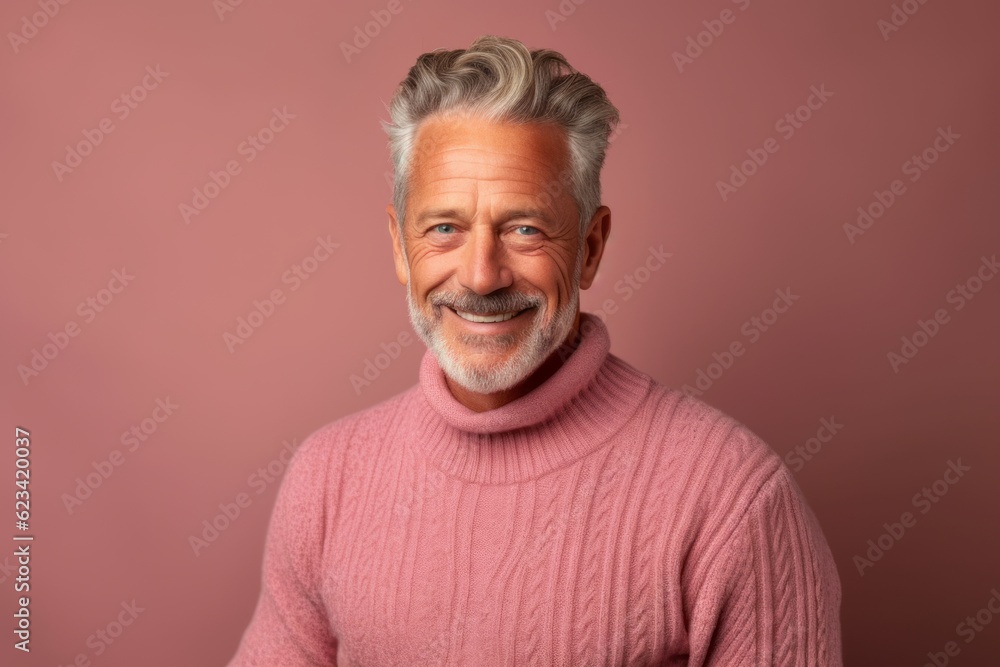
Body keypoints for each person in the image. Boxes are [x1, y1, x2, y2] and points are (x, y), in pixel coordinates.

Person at [227, 34, 842, 666]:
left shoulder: (731, 496)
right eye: (445, 228)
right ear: (397, 246)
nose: (481, 275)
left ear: (591, 248)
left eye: (524, 228)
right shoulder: (327, 479)